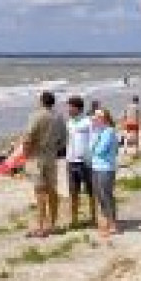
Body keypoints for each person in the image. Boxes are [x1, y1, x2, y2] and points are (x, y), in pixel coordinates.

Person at [21, 90, 66, 237]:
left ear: (41, 101)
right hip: (51, 157)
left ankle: (41, 226)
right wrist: (53, 149)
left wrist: (26, 155)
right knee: (52, 190)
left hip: (37, 157)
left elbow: (28, 138)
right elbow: (63, 140)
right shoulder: (59, 117)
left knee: (40, 192)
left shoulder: (36, 116)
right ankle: (53, 224)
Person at [64, 96, 97, 228]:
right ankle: (74, 220)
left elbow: (94, 139)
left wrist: (90, 155)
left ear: (77, 108)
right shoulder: (68, 123)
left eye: (70, 107)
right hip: (71, 162)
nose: (68, 109)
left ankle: (94, 217)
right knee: (73, 192)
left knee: (91, 191)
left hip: (86, 162)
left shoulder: (88, 122)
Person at [89, 108, 119, 238]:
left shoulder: (109, 131)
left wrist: (95, 143)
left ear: (104, 118)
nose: (94, 119)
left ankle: (112, 224)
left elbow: (100, 150)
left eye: (97, 117)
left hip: (106, 168)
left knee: (106, 195)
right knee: (99, 195)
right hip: (96, 167)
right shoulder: (98, 132)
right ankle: (107, 220)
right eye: (94, 117)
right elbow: (91, 148)